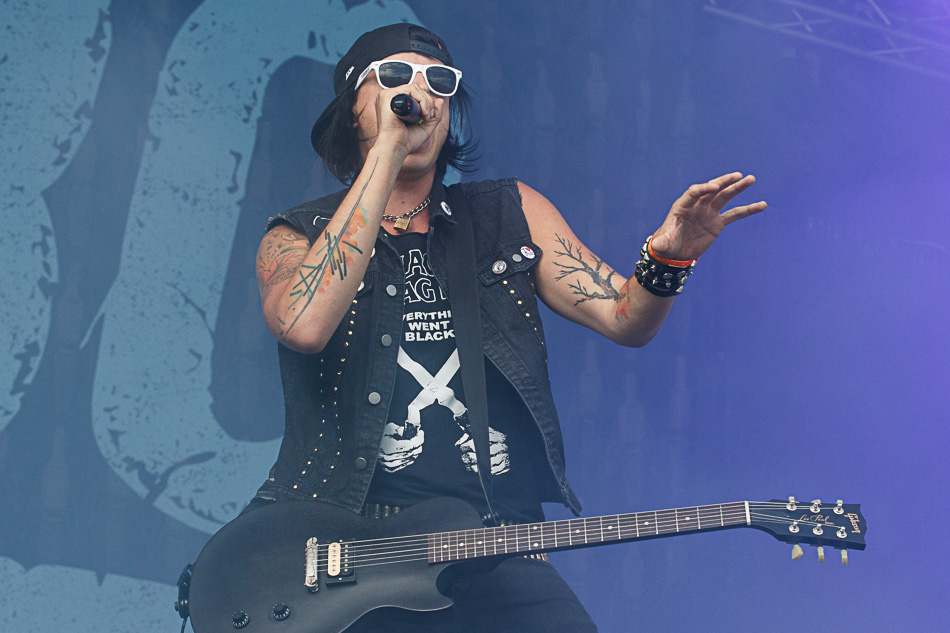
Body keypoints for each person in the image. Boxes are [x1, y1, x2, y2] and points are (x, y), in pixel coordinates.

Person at [251, 22, 765, 633]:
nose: (419, 91)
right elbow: (303, 325)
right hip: (352, 543)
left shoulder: (509, 212)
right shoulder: (297, 234)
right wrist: (387, 152)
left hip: (496, 538)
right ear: (351, 106)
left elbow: (625, 318)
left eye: (439, 82)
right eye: (394, 76)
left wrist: (668, 259)